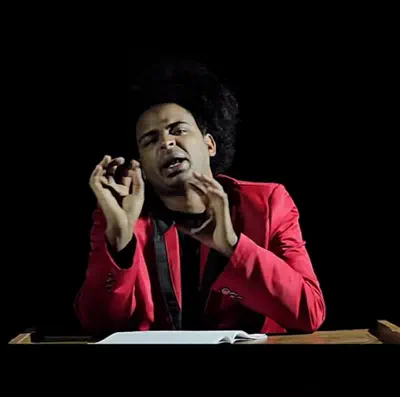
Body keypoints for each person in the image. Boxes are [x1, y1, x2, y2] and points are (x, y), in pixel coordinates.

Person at [73, 59, 326, 336]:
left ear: (210, 144)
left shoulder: (268, 204)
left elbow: (309, 312)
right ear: (142, 165)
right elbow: (97, 324)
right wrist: (120, 243)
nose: (166, 142)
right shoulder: (121, 215)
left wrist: (232, 246)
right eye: (150, 140)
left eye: (178, 130)